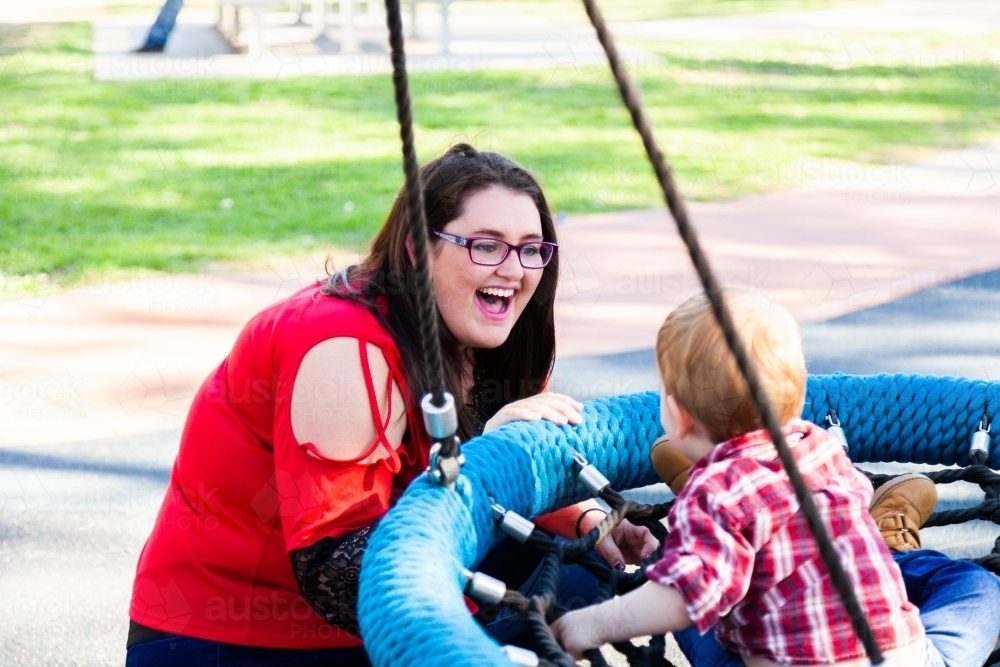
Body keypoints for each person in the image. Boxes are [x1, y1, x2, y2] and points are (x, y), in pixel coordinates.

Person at [125, 144, 658, 666]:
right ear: (415, 250)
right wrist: (482, 459)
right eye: (486, 245)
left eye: (530, 248)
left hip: (400, 587)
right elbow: (339, 578)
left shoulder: (494, 337)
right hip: (240, 638)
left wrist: (586, 515)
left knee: (586, 569)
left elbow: (512, 477)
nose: (514, 270)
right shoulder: (342, 349)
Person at [552, 289, 1000, 667]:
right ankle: (883, 538)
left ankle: (712, 527)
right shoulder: (818, 444)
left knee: (672, 574)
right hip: (906, 658)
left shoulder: (716, 495)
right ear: (798, 395)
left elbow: (684, 600)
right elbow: (850, 498)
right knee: (978, 588)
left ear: (678, 416)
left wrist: (587, 624)